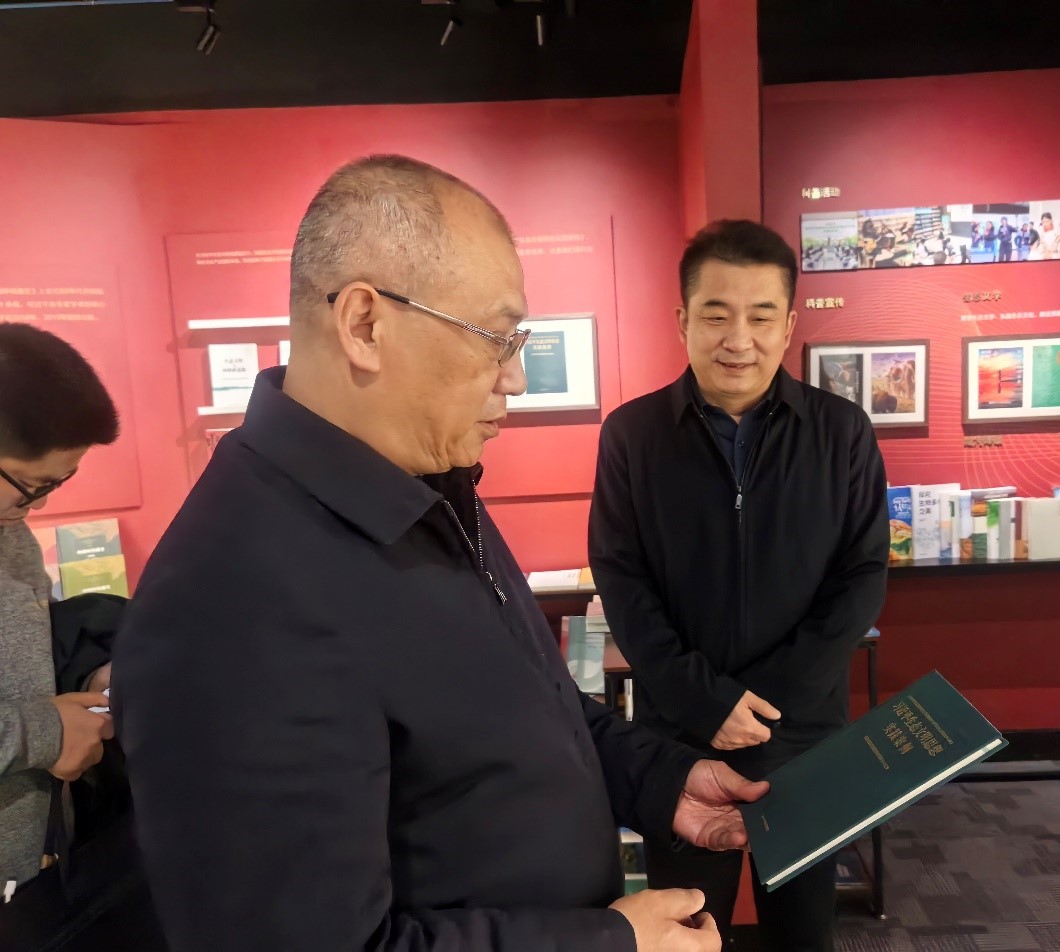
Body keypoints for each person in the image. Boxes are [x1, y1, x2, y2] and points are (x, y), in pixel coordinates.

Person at [113, 154, 768, 952]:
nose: (515, 378)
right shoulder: (231, 602)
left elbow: (520, 712)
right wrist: (606, 945)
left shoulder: (422, 483)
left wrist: (659, 781)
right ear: (364, 324)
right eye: (495, 339)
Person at [588, 220, 889, 952]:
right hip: (682, 737)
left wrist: (765, 704)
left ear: (788, 324)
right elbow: (621, 576)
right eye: (716, 315)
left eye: (760, 317)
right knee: (690, 929)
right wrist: (706, 701)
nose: (738, 340)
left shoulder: (841, 431)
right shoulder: (632, 434)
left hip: (803, 735)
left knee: (804, 931)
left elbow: (860, 575)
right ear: (682, 320)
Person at [0, 323, 118, 890]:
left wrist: (90, 674)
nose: (40, 505)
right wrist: (44, 732)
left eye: (59, 483)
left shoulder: (10, 530)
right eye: (31, 484)